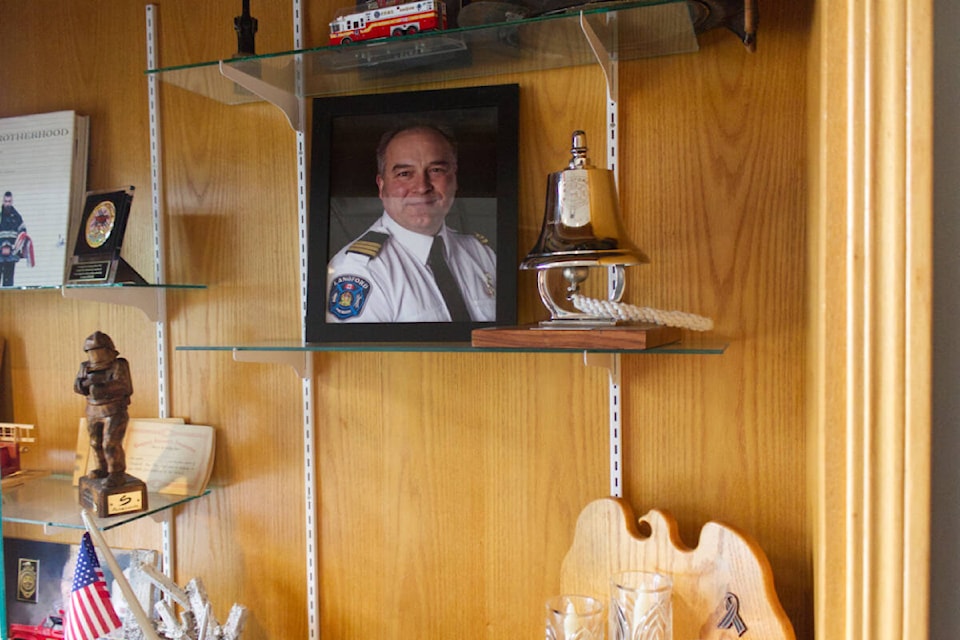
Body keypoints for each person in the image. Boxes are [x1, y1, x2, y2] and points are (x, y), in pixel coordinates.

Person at [326, 123, 496, 323]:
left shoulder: (481, 253)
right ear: (381, 187)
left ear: (454, 179)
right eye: (404, 174)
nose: (422, 187)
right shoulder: (358, 271)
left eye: (436, 170)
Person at [74, 331, 134, 488]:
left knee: (110, 443)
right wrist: (87, 384)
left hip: (114, 410)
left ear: (108, 350)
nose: (95, 355)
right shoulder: (85, 367)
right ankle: (102, 468)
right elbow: (77, 386)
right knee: (95, 442)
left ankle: (116, 473)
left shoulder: (118, 364)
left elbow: (125, 386)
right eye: (92, 352)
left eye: (98, 351)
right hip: (93, 410)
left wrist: (102, 385)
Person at [0, 191, 26, 287]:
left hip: (11, 255)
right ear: (3, 201)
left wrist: (14, 248)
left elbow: (23, 233)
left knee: (8, 282)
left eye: (9, 201)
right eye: (6, 201)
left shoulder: (17, 217)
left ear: (12, 202)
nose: (7, 204)